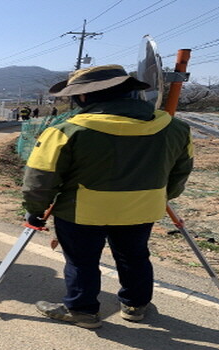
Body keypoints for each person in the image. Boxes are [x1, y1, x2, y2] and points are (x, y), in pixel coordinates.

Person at [22, 65, 193, 329]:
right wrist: (161, 197)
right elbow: (181, 172)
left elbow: (40, 179)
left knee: (82, 261)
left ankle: (82, 310)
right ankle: (136, 305)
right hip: (142, 209)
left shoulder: (66, 131)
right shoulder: (175, 127)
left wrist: (35, 209)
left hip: (82, 212)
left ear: (84, 97)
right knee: (134, 256)